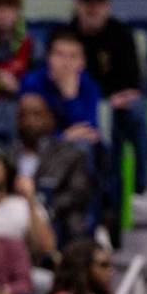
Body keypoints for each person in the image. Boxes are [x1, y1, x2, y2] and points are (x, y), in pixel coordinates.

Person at [71, 0, 147, 197]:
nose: (92, 9)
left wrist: (111, 100)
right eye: (87, 3)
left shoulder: (121, 33)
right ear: (78, 5)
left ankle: (141, 187)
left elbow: (133, 82)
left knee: (137, 110)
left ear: (107, 6)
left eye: (98, 3)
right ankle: (101, 191)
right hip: (80, 101)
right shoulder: (67, 35)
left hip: (118, 101)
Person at [11, 93, 95, 242]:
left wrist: (44, 209)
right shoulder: (8, 155)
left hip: (56, 222)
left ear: (49, 118)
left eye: (36, 114)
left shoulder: (69, 154)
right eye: (23, 115)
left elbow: (77, 193)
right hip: (14, 223)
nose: (29, 121)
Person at [21, 29, 104, 144]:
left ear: (83, 62)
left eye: (73, 56)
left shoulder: (89, 86)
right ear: (48, 58)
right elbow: (29, 133)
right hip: (44, 149)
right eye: (59, 55)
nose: (66, 63)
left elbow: (89, 131)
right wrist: (63, 138)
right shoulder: (32, 83)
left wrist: (71, 97)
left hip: (78, 148)